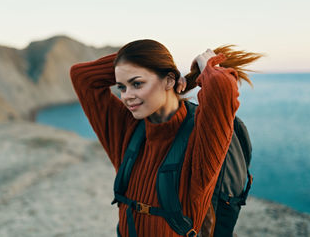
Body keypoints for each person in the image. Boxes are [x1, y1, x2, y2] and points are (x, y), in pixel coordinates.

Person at [70, 39, 261, 237]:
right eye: (122, 87)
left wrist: (207, 67)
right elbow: (82, 77)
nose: (127, 96)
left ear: (169, 80)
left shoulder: (199, 136)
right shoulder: (127, 129)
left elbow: (221, 91)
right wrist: (131, 64)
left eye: (137, 83)